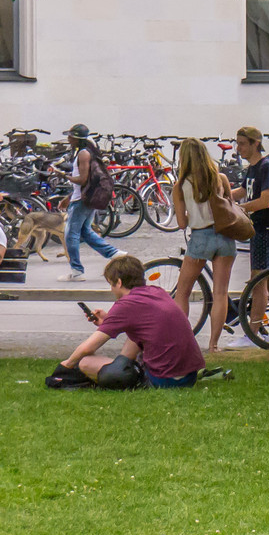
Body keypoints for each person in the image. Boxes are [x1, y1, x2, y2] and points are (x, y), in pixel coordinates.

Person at [47, 254, 218, 389]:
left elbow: (89, 347)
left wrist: (66, 366)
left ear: (119, 283)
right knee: (136, 332)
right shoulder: (156, 291)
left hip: (165, 379)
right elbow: (144, 324)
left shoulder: (126, 304)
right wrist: (109, 320)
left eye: (111, 285)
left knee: (85, 362)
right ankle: (125, 365)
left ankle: (127, 372)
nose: (111, 289)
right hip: (189, 376)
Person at [170, 138, 238, 351]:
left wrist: (194, 215)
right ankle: (214, 344)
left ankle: (182, 342)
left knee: (183, 292)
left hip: (200, 237)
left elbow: (181, 223)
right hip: (225, 236)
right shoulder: (221, 178)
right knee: (220, 292)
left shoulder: (180, 186)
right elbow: (230, 208)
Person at [235, 126, 269, 345]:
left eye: (242, 144)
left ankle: (253, 334)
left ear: (256, 143)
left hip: (268, 228)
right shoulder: (253, 168)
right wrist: (220, 197)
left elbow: (265, 200)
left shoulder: (266, 167)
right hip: (259, 228)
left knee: (259, 283)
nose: (238, 149)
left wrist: (240, 209)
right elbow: (244, 191)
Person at [57, 123, 121, 282]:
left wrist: (63, 175)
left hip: (81, 201)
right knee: (85, 232)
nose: (68, 139)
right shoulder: (84, 152)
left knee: (70, 235)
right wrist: (69, 197)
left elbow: (83, 180)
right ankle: (115, 254)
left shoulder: (83, 154)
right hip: (83, 198)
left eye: (70, 136)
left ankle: (77, 271)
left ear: (76, 139)